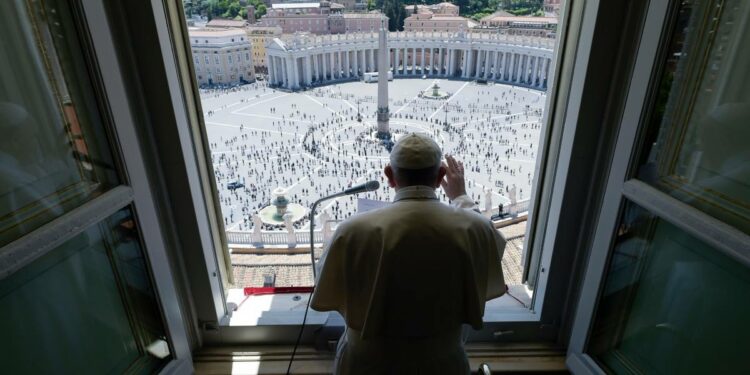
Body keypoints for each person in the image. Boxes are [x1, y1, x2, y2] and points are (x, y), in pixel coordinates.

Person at [311, 133, 507, 374]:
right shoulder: (474, 228)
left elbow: (326, 287)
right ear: (440, 177)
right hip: (442, 365)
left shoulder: (351, 231)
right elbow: (492, 252)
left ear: (389, 176)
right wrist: (461, 198)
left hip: (367, 365)